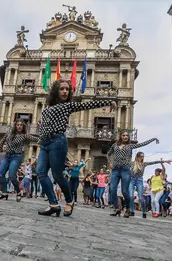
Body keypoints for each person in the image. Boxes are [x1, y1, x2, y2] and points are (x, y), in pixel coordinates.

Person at [36, 79, 116, 217]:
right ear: (56, 91)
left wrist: (107, 102)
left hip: (57, 142)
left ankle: (69, 201)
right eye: (62, 89)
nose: (65, 91)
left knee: (57, 175)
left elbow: (87, 105)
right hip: (45, 143)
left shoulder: (67, 106)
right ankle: (53, 204)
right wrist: (40, 137)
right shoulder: (47, 109)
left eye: (67, 89)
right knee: (41, 173)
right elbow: (44, 126)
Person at [107, 133, 161, 218]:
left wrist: (153, 139)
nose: (125, 137)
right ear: (120, 136)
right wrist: (110, 162)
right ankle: (117, 209)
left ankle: (128, 209)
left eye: (127, 136)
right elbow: (109, 154)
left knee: (125, 191)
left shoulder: (130, 146)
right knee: (112, 189)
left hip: (125, 170)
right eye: (123, 135)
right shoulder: (115, 145)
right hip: (115, 170)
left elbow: (142, 144)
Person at [0, 119, 39, 202]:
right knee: (0, 174)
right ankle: (4, 193)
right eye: (18, 125)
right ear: (15, 125)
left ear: (23, 126)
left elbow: (35, 139)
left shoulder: (24, 135)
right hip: (7, 156)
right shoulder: (9, 133)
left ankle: (18, 192)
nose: (19, 126)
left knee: (12, 176)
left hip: (17, 157)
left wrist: (44, 139)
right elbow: (2, 141)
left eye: (21, 125)